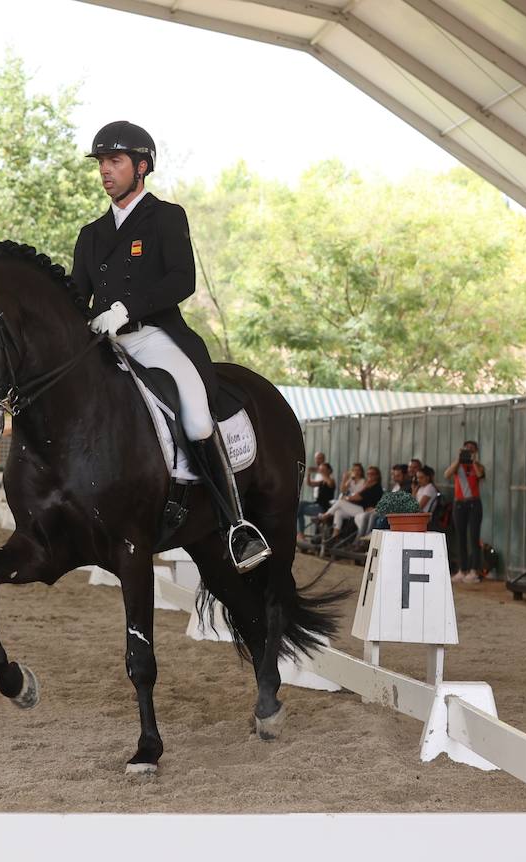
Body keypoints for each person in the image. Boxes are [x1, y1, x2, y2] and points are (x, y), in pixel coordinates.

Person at [71, 120, 267, 573]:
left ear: (142, 167)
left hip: (154, 336)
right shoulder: (91, 233)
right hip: (107, 342)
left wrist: (126, 307)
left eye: (114, 161)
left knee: (197, 416)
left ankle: (234, 523)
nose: (105, 170)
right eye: (101, 162)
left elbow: (183, 280)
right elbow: (78, 295)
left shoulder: (166, 217)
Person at [445, 440, 486, 583]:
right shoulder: (458, 466)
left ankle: (475, 570)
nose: (468, 451)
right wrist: (458, 459)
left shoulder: (477, 466)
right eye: (466, 449)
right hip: (459, 504)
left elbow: (480, 475)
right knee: (460, 537)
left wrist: (473, 461)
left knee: (474, 537)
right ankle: (463, 569)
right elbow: (447, 474)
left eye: (472, 449)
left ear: (475, 452)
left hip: (474, 503)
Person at [318, 465, 383, 539]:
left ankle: (326, 516)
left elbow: (357, 497)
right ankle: (335, 535)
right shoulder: (368, 485)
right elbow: (344, 491)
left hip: (365, 510)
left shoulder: (376, 487)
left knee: (340, 502)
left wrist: (346, 498)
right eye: (368, 474)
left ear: (377, 476)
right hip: (359, 508)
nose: (369, 476)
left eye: (372, 474)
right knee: (338, 512)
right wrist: (345, 479)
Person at [296, 461, 335, 541]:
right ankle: (300, 534)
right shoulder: (322, 481)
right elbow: (310, 484)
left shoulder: (331, 480)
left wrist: (320, 472)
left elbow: (330, 483)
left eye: (323, 469)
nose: (320, 470)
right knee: (300, 504)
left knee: (300, 510)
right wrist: (309, 473)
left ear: (328, 470)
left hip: (323, 507)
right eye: (321, 469)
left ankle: (300, 533)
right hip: (317, 503)